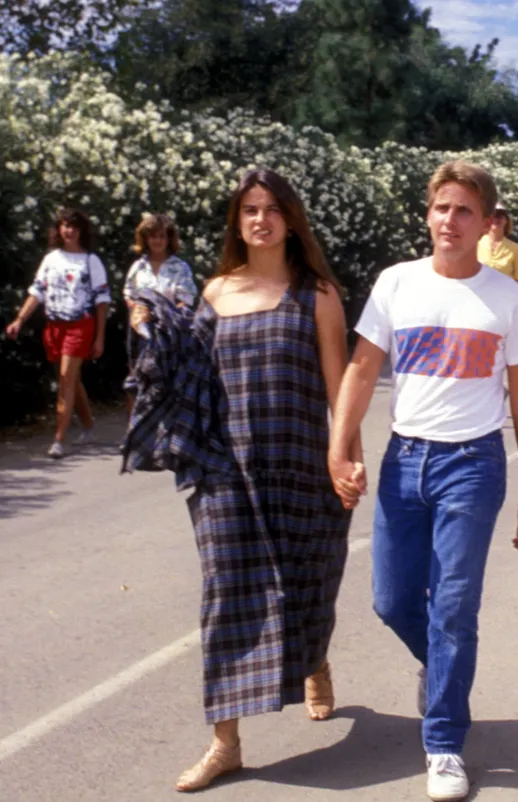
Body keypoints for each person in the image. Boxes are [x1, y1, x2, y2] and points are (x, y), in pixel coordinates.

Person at [126, 168, 352, 792]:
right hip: (224, 468)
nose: (260, 219)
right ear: (237, 221)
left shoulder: (320, 295)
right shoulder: (215, 291)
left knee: (310, 579)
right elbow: (187, 376)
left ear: (291, 219)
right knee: (226, 594)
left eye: (272, 208)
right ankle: (225, 743)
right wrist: (154, 330)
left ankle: (315, 657)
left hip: (300, 462)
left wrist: (347, 459)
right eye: (249, 209)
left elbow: (341, 392)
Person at [328, 161, 518, 802]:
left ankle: (444, 742)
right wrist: (340, 450)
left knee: (454, 606)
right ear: (428, 213)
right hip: (405, 460)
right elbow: (362, 372)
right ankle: (441, 666)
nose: (450, 221)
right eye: (442, 208)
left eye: (465, 211)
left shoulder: (508, 299)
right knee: (392, 600)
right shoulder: (397, 284)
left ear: (487, 223)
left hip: (473, 466)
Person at [5, 207, 110, 458]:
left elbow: (102, 301)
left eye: (73, 226)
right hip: (54, 326)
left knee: (64, 379)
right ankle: (88, 426)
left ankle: (59, 440)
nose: (69, 230)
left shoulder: (90, 261)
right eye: (64, 225)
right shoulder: (52, 259)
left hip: (80, 325)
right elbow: (37, 291)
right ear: (59, 229)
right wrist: (19, 319)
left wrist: (99, 337)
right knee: (71, 379)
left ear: (82, 230)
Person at [123, 213, 198, 411]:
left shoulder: (180, 268)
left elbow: (186, 301)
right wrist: (138, 311)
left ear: (169, 239)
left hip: (169, 334)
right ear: (146, 238)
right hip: (141, 333)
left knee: (167, 383)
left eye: (162, 236)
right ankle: (136, 430)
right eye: (153, 236)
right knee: (137, 381)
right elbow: (129, 295)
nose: (157, 240)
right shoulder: (138, 267)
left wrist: (161, 315)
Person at [477, 201, 518, 286]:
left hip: (506, 297)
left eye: (501, 215)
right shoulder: (475, 246)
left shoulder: (515, 249)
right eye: (493, 215)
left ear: (506, 220)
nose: (497, 219)